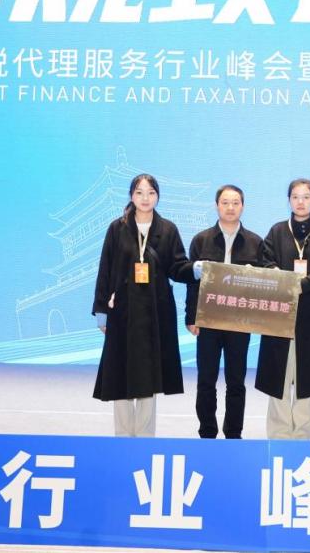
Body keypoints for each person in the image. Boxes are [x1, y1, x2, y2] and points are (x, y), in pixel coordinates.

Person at [91, 173, 193, 437]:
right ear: (131, 196)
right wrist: (101, 310)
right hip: (123, 312)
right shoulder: (117, 228)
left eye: (151, 193)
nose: (145, 198)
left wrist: (195, 270)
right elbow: (105, 269)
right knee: (120, 371)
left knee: (150, 375)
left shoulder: (168, 229)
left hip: (155, 313)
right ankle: (123, 436)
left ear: (158, 196)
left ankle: (146, 439)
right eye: (139, 192)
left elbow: (177, 267)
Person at [255, 178, 310, 439]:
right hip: (279, 313)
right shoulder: (277, 231)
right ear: (289, 200)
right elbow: (265, 261)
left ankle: (303, 435)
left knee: (307, 379)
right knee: (278, 377)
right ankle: (279, 434)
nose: (300, 202)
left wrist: (305, 283)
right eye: (295, 197)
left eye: (306, 197)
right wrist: (282, 280)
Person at [184, 184, 263, 439]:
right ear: (216, 205)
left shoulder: (255, 242)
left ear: (243, 206)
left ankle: (233, 433)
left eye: (235, 203)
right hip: (208, 320)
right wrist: (191, 317)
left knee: (236, 382)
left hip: (239, 322)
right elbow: (192, 282)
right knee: (206, 380)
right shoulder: (201, 240)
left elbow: (263, 285)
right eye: (225, 202)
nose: (230, 207)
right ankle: (207, 432)